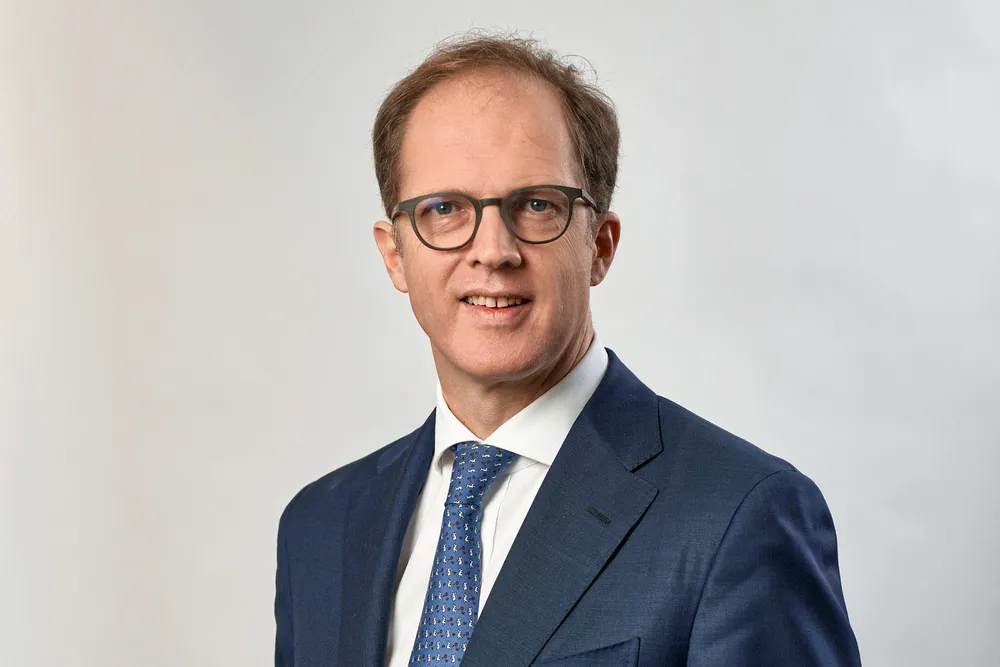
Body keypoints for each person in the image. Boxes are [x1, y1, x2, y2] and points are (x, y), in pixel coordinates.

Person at [274, 33, 862, 667]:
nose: (493, 251)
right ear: (395, 254)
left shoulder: (738, 515)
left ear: (599, 246)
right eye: (445, 209)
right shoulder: (320, 527)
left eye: (536, 205)